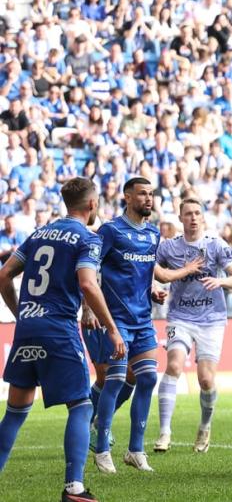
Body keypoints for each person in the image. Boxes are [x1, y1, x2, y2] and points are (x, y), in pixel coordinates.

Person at [0, 177, 126, 502]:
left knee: (15, 411)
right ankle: (75, 488)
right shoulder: (87, 238)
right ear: (92, 204)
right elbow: (87, 283)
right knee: (82, 405)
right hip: (58, 328)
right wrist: (112, 328)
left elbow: (3, 275)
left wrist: (21, 313)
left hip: (27, 327)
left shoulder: (39, 234)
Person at [153, 197, 232, 454]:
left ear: (202, 217)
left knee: (206, 379)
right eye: (188, 214)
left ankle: (205, 426)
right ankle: (164, 432)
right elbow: (149, 272)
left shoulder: (215, 245)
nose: (193, 217)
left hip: (211, 319)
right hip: (180, 316)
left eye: (197, 213)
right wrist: (155, 289)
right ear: (181, 218)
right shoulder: (169, 248)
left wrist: (221, 282)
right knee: (173, 365)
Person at [91, 177, 168, 474]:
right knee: (115, 379)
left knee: (148, 379)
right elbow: (90, 268)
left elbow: (144, 272)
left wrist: (153, 291)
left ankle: (135, 450)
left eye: (151, 194)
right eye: (142, 194)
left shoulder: (152, 232)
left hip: (143, 318)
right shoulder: (110, 230)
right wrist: (88, 307)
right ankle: (102, 450)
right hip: (117, 319)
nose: (148, 199)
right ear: (127, 196)